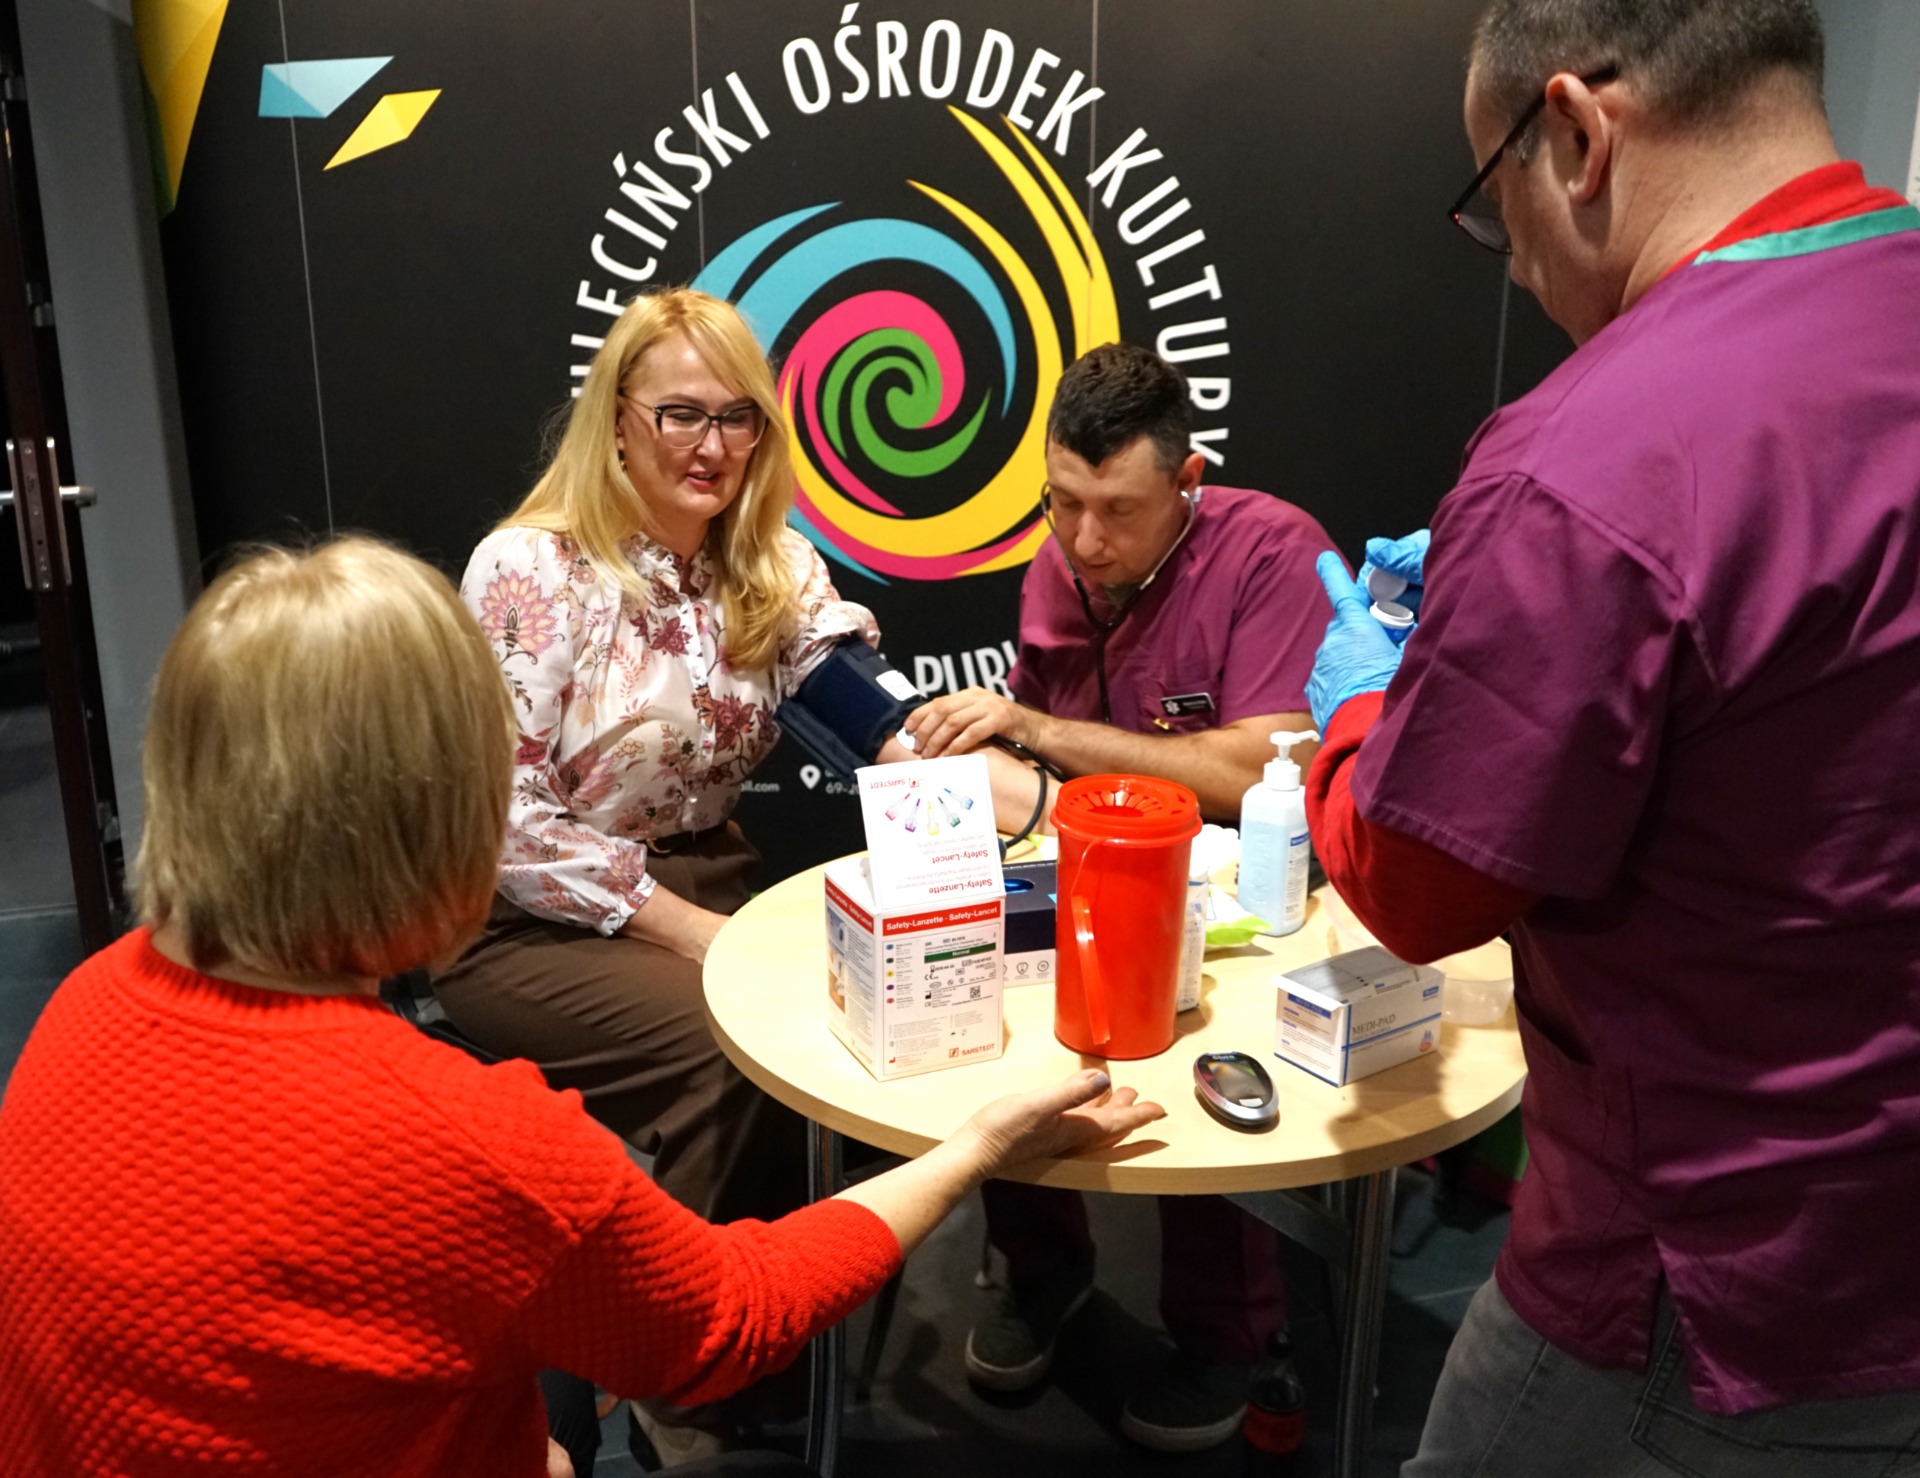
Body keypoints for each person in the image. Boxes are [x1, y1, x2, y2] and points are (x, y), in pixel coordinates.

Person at [0, 536, 1165, 1478]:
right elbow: (733, 1314)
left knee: (554, 1393)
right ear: (440, 807)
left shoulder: (81, 1007)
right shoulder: (472, 1145)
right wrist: (974, 1147)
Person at [1301, 3, 1920, 1474]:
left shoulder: (1593, 457)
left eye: (1492, 203)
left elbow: (1417, 882)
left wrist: (1363, 706)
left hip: (1716, 1280)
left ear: (1576, 132)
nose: (1515, 261)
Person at [905, 343, 1339, 1452]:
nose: (1086, 542)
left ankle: (1229, 1334)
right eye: (1063, 503)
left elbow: (1256, 769)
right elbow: (1045, 759)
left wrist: (1040, 733)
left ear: (1188, 480)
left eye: (1119, 511)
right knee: (1012, 1010)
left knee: (1211, 1055)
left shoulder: (1273, 551)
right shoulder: (1057, 565)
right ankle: (1041, 1272)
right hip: (1089, 857)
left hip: (1247, 885)